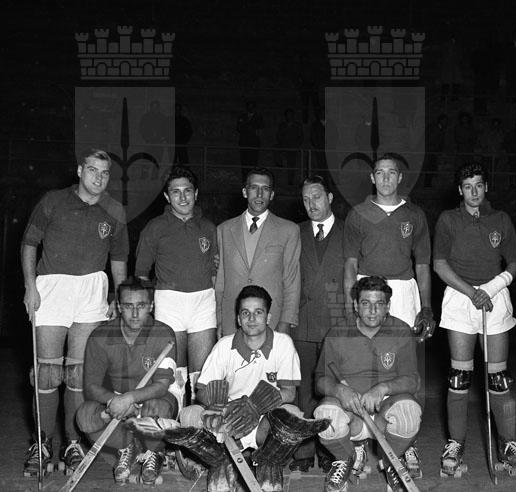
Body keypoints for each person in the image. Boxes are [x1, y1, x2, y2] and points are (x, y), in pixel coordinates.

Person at [135, 285, 329, 491]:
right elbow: (202, 391)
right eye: (245, 313)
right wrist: (223, 409)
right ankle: (222, 462)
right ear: (238, 318)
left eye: (258, 312)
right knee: (189, 414)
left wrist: (254, 406)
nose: (251, 318)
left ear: (268, 317)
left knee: (291, 414)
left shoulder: (283, 344)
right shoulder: (224, 345)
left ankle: (268, 464)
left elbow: (289, 392)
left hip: (264, 419)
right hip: (227, 420)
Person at [21, 149, 128, 476]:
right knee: (47, 372)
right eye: (93, 170)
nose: (99, 177)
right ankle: (42, 443)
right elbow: (28, 243)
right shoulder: (53, 200)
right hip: (52, 288)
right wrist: (29, 286)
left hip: (91, 291)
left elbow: (118, 259)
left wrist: (119, 296)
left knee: (79, 374)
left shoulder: (115, 210)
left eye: (105, 173)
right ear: (80, 170)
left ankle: (71, 443)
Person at [432, 162, 516, 477]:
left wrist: (491, 287)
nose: (473, 192)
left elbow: (514, 262)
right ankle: (455, 444)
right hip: (460, 299)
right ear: (460, 190)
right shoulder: (448, 219)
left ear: (486, 187)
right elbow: (439, 264)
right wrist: (472, 292)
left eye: (478, 185)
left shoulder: (501, 219)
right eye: (467, 186)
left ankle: (508, 443)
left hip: (494, 298)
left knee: (498, 379)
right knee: (459, 377)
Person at [343, 153, 434, 475]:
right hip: (367, 290)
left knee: (406, 366)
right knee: (364, 363)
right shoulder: (357, 214)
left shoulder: (415, 215)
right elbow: (350, 264)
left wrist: (426, 307)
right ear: (372, 178)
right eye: (379, 173)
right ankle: (361, 442)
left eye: (391, 173)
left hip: (404, 292)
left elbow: (422, 265)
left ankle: (407, 441)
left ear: (399, 178)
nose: (384, 178)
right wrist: (349, 305)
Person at [314, 276, 422, 492]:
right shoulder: (338, 333)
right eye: (365, 303)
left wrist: (383, 388)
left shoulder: (401, 330)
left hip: (384, 413)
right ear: (356, 305)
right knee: (325, 415)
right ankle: (346, 459)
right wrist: (339, 390)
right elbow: (320, 380)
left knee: (409, 412)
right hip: (351, 413)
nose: (372, 311)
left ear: (388, 306)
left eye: (379, 304)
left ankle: (392, 463)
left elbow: (413, 380)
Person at [76, 277, 179, 485]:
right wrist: (115, 401)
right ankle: (126, 447)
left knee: (155, 407)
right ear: (118, 306)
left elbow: (161, 386)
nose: (134, 313)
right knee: (85, 417)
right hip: (118, 400)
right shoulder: (100, 336)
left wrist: (130, 398)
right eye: (128, 306)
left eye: (141, 306)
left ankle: (154, 452)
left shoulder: (163, 334)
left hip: (154, 399)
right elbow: (91, 386)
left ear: (151, 306)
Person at [135, 166, 217, 407]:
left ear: (196, 193)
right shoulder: (154, 227)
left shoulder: (209, 228)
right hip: (169, 303)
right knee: (174, 376)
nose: (182, 197)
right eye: (175, 192)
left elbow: (215, 271)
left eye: (187, 191)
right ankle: (174, 426)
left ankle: (197, 426)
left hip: (203, 303)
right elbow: (141, 274)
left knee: (202, 378)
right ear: (166, 196)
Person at [290, 175, 344, 473]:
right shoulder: (295, 232)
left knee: (331, 390)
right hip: (304, 321)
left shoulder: (349, 231)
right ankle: (303, 452)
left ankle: (329, 449)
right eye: (306, 199)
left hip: (337, 322)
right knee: (304, 390)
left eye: (317, 197)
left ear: (330, 198)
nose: (311, 204)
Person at [216, 167, 301, 337]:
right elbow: (221, 281)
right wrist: (219, 320)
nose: (260, 194)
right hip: (232, 320)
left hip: (272, 319)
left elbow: (292, 281)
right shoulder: (224, 229)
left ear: (272, 194)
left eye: (265, 189)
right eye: (254, 188)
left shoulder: (289, 230)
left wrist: (285, 322)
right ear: (245, 192)